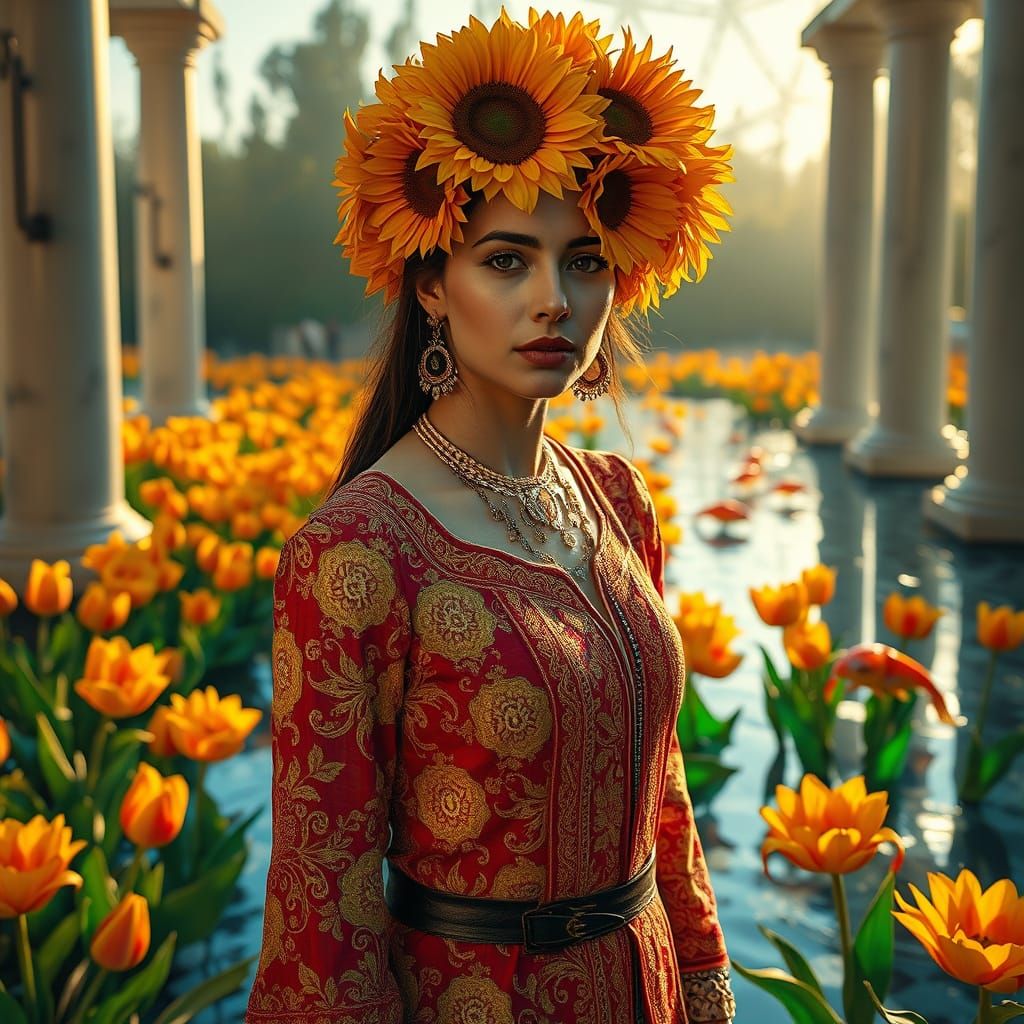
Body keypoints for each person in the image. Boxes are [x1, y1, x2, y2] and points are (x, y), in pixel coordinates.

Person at [245, 9, 736, 1023]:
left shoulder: (615, 498)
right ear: (432, 283)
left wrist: (701, 972)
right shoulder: (354, 555)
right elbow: (322, 910)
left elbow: (664, 791)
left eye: (586, 260)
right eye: (507, 260)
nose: (553, 298)